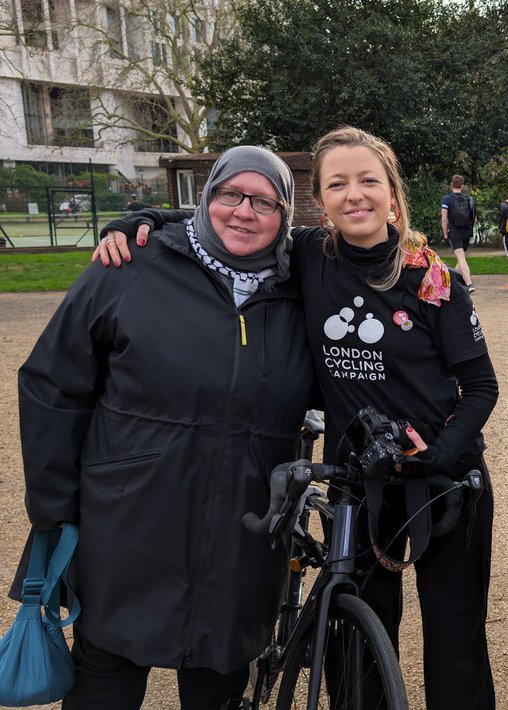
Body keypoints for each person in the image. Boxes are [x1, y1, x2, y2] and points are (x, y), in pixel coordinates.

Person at [95, 127, 500, 710]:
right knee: (355, 641)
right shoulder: (309, 255)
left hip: (445, 482)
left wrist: (436, 455)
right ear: (321, 197)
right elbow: (230, 216)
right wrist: (141, 221)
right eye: (338, 183)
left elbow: (481, 387)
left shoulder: (432, 277)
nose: (354, 194)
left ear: (393, 192)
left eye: (368, 181)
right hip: (361, 481)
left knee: (455, 640)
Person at [18, 146, 313, 709]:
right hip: (128, 515)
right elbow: (51, 382)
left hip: (241, 523)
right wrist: (55, 507)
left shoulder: (300, 288)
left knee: (220, 678)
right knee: (106, 670)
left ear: (285, 216)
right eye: (230, 194)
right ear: (206, 197)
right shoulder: (131, 265)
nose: (244, 212)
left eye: (264, 202)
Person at [442, 174, 477, 292]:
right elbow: (474, 218)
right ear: (462, 186)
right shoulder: (469, 199)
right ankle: (453, 282)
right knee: (460, 258)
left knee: (461, 258)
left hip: (455, 231)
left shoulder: (447, 199)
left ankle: (469, 284)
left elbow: (444, 218)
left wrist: (445, 232)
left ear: (452, 184)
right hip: (466, 231)